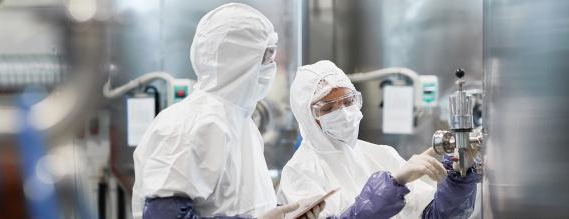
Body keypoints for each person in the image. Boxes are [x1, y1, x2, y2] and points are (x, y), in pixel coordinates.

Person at [131, 3, 324, 219]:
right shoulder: (186, 126)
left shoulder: (243, 123)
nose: (271, 65)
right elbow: (164, 216)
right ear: (237, 59)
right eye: (265, 56)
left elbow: (241, 205)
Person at [276, 60, 481, 218]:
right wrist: (395, 183)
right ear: (308, 117)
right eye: (329, 108)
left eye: (348, 101)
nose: (345, 113)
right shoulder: (300, 173)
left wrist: (459, 174)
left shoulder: (381, 155)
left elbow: (436, 215)